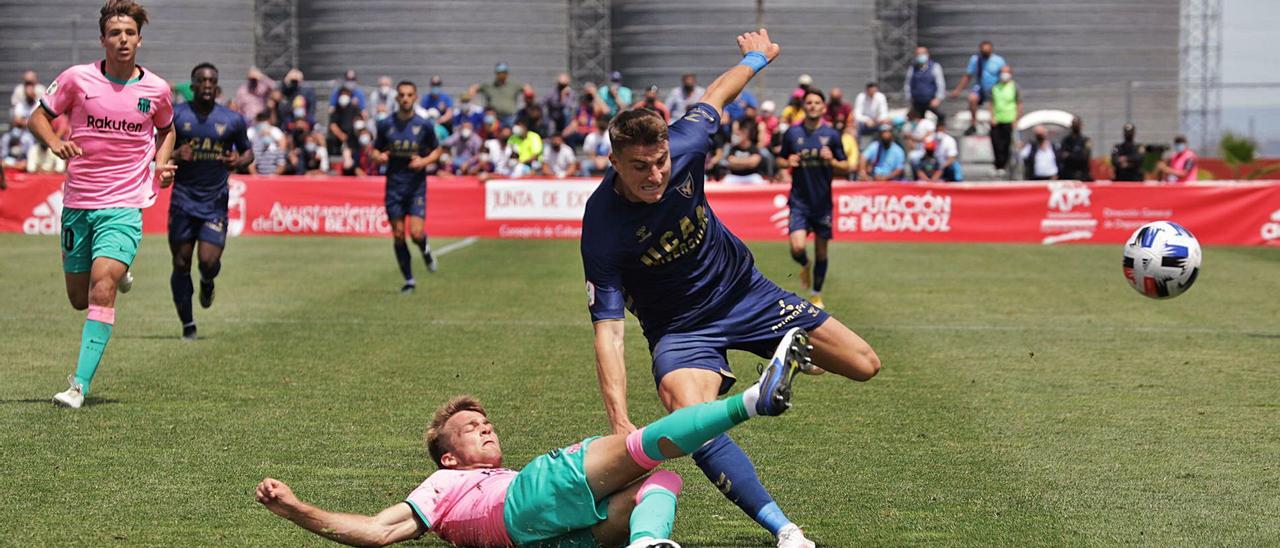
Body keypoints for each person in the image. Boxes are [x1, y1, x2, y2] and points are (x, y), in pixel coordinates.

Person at [581, 29, 880, 548]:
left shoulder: (687, 143)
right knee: (688, 419)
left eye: (661, 163)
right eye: (639, 167)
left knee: (864, 365)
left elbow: (716, 96)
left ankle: (789, 355)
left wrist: (755, 58)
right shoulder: (602, 226)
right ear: (613, 163)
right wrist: (619, 423)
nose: (654, 175)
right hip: (680, 330)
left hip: (748, 295)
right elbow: (608, 331)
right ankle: (785, 530)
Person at [258, 329, 814, 548]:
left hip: (544, 538)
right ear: (450, 458)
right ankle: (751, 401)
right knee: (639, 446)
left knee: (661, 478)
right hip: (522, 502)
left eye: (486, 421)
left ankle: (645, 545)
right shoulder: (443, 484)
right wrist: (296, 509)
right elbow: (380, 531)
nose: (486, 426)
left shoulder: (489, 478)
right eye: (471, 429)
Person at [30, 0, 176, 408]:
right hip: (79, 203)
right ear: (103, 40)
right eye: (115, 33)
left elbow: (167, 129)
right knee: (79, 298)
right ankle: (120, 270)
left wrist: (161, 165)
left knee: (102, 287)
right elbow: (38, 117)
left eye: (129, 33)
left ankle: (78, 386)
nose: (123, 40)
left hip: (125, 203)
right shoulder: (77, 79)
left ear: (140, 39)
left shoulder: (156, 90)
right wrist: (56, 141)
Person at [167, 63, 253, 340]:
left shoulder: (231, 120)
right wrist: (176, 154)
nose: (207, 84)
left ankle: (207, 280)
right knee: (181, 263)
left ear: (217, 87)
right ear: (191, 86)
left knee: (207, 261)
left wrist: (238, 161)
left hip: (214, 201)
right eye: (201, 80)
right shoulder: (177, 117)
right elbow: (157, 151)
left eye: (211, 80)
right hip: (182, 200)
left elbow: (248, 152)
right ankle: (188, 325)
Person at [779, 89, 849, 308]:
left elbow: (846, 166)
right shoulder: (792, 133)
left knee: (821, 251)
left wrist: (833, 162)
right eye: (808, 102)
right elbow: (780, 161)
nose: (812, 106)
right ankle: (804, 264)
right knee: (797, 248)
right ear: (804, 106)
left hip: (822, 204)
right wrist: (787, 162)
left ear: (823, 107)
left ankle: (816, 294)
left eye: (817, 102)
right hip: (799, 202)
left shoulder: (832, 135)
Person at [371, 81, 442, 293]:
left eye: (409, 95)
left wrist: (424, 162)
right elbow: (374, 151)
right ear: (396, 98)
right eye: (401, 95)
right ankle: (409, 280)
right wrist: (380, 157)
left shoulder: (424, 125)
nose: (405, 98)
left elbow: (437, 151)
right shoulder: (386, 125)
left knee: (416, 233)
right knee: (399, 235)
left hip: (415, 187)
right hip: (393, 187)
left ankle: (425, 248)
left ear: (415, 98)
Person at [950, 40, 1007, 136]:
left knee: (994, 104)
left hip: (994, 88)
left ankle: (995, 123)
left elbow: (1005, 72)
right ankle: (973, 124)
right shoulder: (976, 60)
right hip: (980, 86)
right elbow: (968, 76)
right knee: (972, 98)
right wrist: (958, 90)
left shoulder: (998, 60)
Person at [988, 65, 1021, 175]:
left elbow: (1019, 103)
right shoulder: (995, 87)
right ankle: (997, 165)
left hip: (1009, 119)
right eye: (1002, 72)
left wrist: (1016, 119)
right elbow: (991, 103)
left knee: (1006, 144)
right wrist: (992, 116)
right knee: (996, 143)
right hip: (997, 120)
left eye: (1006, 72)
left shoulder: (1014, 87)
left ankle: (1004, 166)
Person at [903, 46, 946, 119]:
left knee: (941, 116)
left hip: (931, 100)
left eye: (922, 54)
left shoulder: (935, 67)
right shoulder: (912, 68)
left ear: (927, 54)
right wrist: (909, 97)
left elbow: (940, 84)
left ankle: (940, 129)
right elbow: (908, 84)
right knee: (915, 119)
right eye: (918, 54)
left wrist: (938, 98)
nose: (920, 56)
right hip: (917, 101)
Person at [1058, 117, 1093, 181]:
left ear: (1081, 126)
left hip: (1082, 175)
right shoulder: (1066, 140)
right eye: (1074, 124)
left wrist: (1069, 155)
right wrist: (1077, 155)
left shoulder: (1086, 141)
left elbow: (1084, 157)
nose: (1076, 126)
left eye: (1077, 124)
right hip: (1068, 175)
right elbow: (1061, 156)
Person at [933, 116, 962, 182]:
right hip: (935, 165)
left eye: (941, 130)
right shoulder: (931, 139)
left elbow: (952, 157)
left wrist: (942, 166)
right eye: (937, 130)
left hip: (946, 166)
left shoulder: (950, 140)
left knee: (954, 167)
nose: (939, 132)